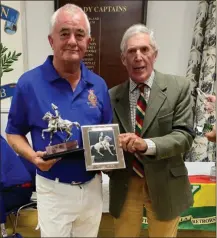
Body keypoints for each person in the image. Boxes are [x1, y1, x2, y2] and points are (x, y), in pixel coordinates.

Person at [5, 4, 112, 237]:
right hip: (53, 190)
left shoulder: (100, 86)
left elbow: (106, 136)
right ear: (51, 40)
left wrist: (113, 155)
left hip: (92, 189)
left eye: (79, 34)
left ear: (88, 42)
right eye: (64, 33)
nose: (72, 41)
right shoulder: (28, 84)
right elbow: (12, 133)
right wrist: (32, 157)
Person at [108, 24, 195, 237]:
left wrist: (145, 145)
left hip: (165, 183)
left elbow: (184, 136)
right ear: (123, 59)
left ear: (154, 55)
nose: (138, 56)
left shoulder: (179, 87)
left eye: (144, 50)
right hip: (126, 184)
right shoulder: (111, 96)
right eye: (131, 51)